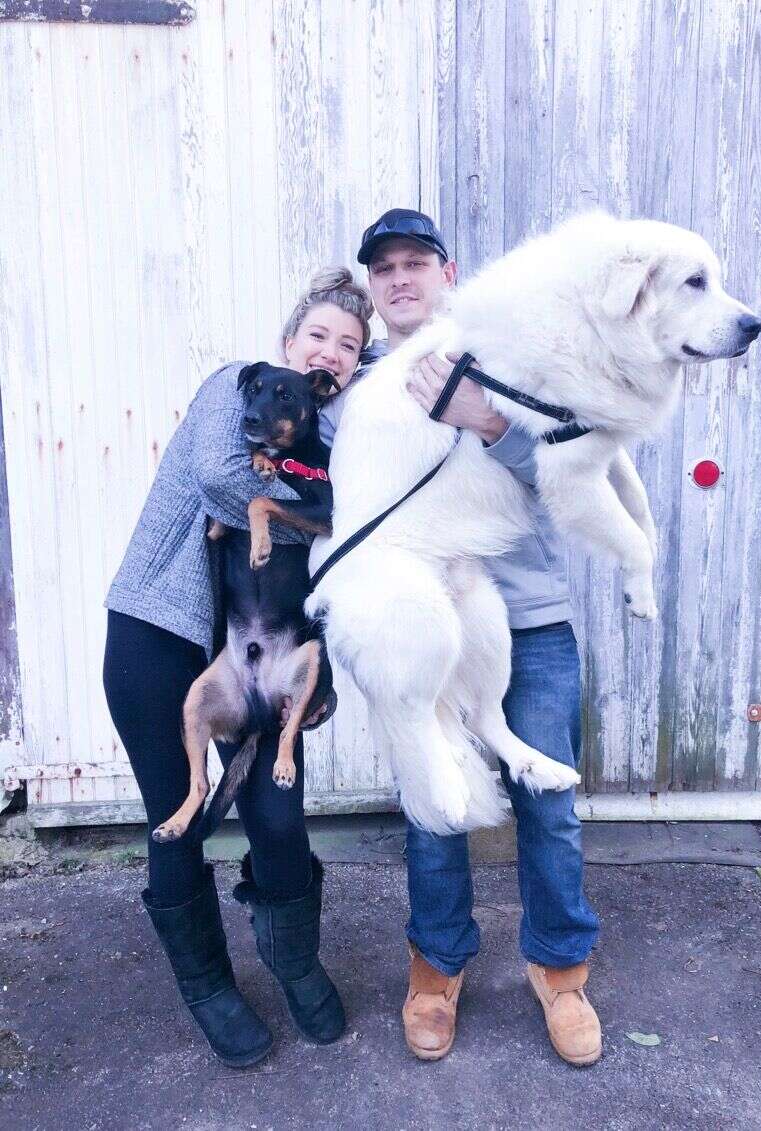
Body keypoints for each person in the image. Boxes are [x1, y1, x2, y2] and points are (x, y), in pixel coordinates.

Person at [320, 209, 602, 1066]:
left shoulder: (506, 352)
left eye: (416, 262)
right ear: (373, 289)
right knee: (432, 806)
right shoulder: (349, 397)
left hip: (528, 615)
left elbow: (576, 464)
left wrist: (487, 420)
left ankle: (562, 974)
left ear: (449, 272)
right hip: (419, 621)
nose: (400, 278)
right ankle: (436, 971)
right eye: (384, 269)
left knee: (546, 807)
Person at [102, 267, 372, 1068]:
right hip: (157, 629)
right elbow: (225, 480)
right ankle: (210, 987)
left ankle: (292, 958)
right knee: (173, 815)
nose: (330, 350)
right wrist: (320, 523)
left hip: (253, 649)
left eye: (349, 346)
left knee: (279, 815)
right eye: (317, 334)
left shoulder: (328, 441)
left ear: (349, 371)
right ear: (290, 344)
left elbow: (341, 553)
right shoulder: (237, 386)